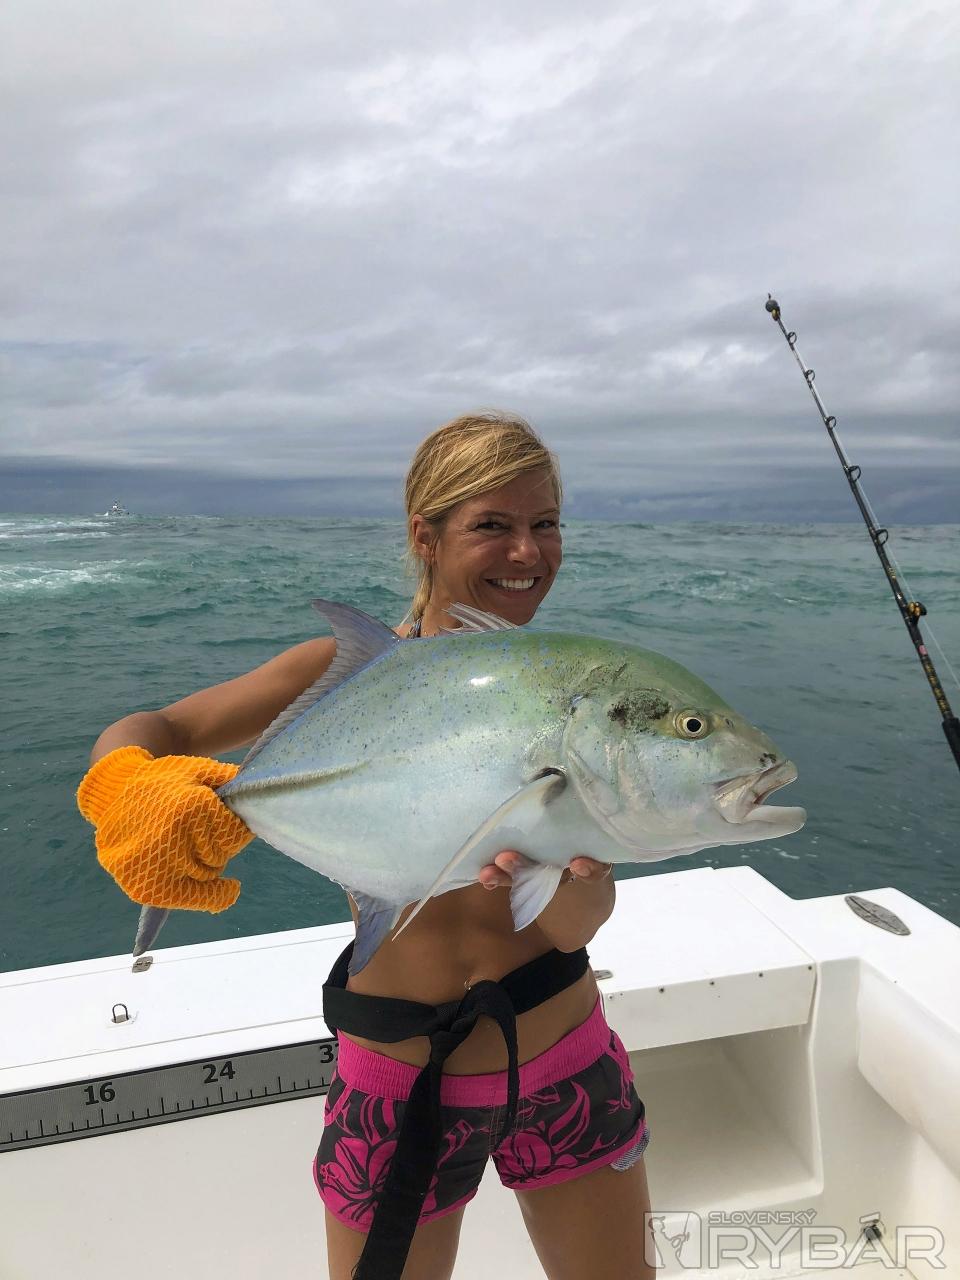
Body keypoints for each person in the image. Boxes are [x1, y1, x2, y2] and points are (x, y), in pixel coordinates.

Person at [77, 412, 655, 1280]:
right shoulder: (342, 673)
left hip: (563, 1060)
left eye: (545, 523)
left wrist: (582, 870)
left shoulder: (569, 695)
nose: (527, 552)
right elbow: (157, 727)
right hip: (396, 1077)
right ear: (425, 536)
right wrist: (128, 785)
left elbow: (573, 928)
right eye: (492, 525)